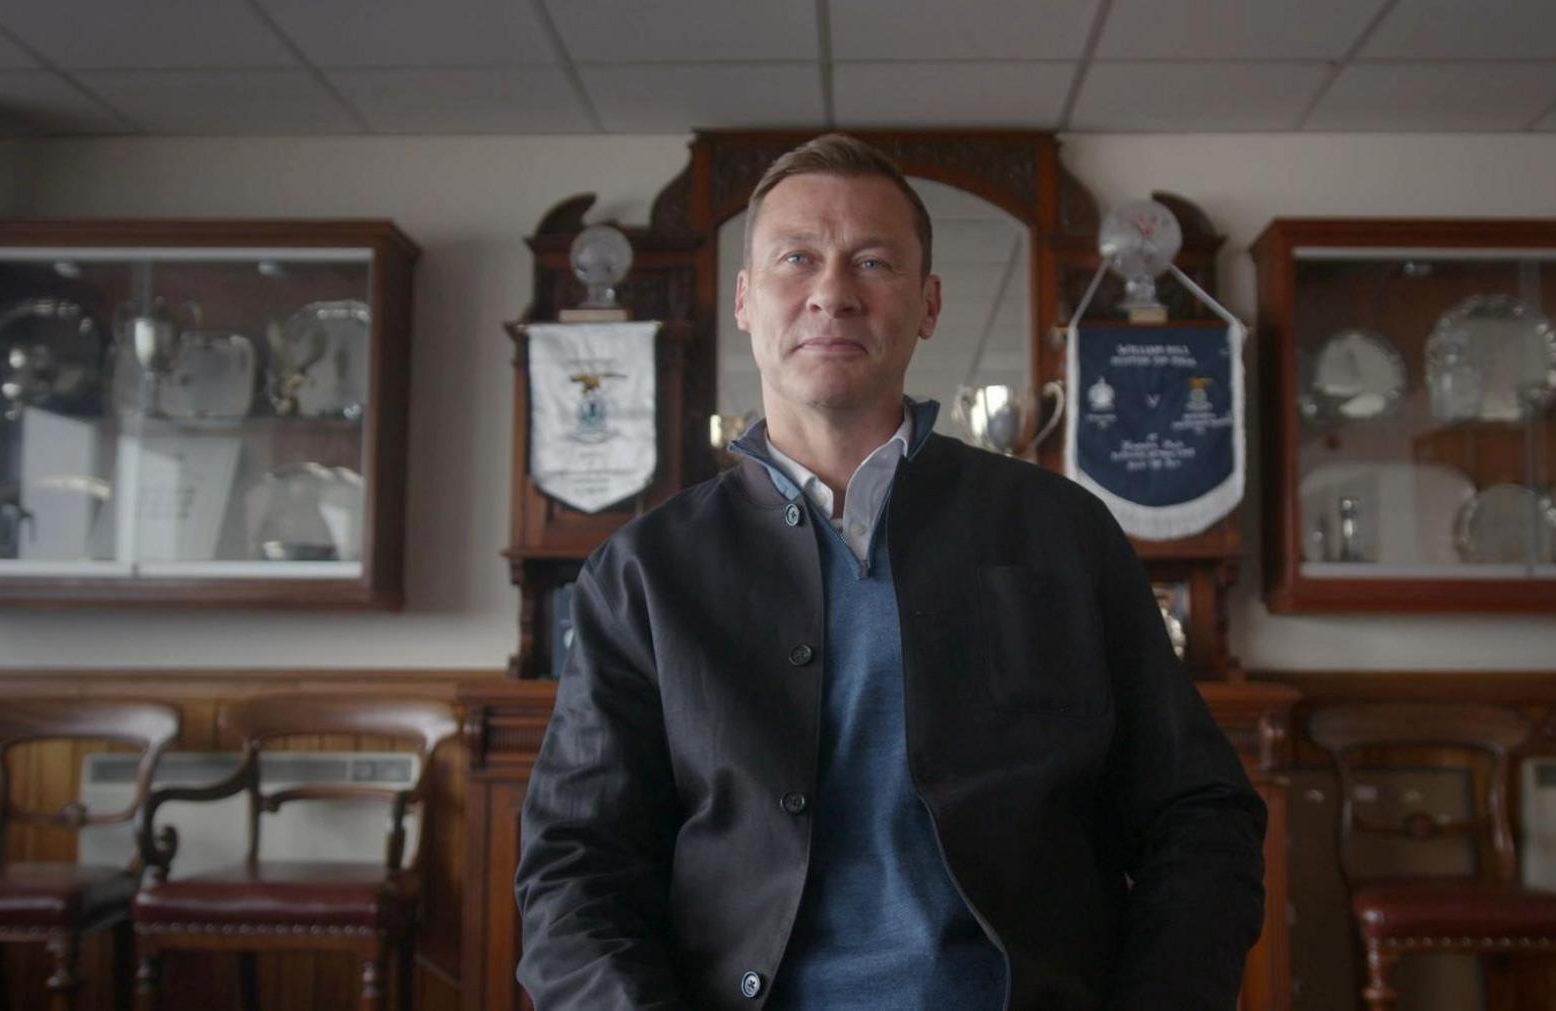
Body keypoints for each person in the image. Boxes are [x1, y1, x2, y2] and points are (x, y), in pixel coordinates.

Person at [516, 133, 1266, 1010]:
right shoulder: (643, 571)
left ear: (928, 303)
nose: (832, 292)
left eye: (873, 261)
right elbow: (576, 867)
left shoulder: (1063, 532)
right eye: (798, 259)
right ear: (748, 303)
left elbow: (1201, 814)